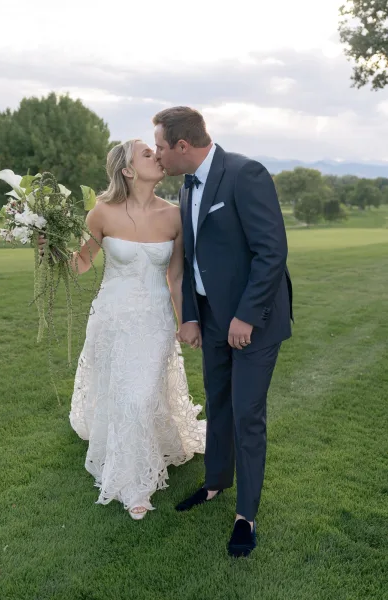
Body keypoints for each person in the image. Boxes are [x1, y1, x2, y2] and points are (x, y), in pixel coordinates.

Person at [39, 140, 205, 520]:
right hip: (112, 318)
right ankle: (134, 484)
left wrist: (186, 322)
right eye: (148, 153)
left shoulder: (176, 216)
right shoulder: (102, 213)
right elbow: (81, 264)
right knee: (123, 394)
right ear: (128, 170)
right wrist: (51, 251)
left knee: (142, 396)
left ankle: (137, 473)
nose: (157, 156)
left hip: (154, 319)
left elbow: (175, 276)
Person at [153, 107, 293, 556]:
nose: (157, 154)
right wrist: (191, 316)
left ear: (182, 146)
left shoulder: (245, 173)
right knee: (218, 403)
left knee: (247, 415)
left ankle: (245, 517)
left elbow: (271, 251)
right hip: (211, 319)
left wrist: (248, 315)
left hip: (254, 320)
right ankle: (214, 483)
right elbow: (193, 258)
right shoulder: (186, 185)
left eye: (159, 146)